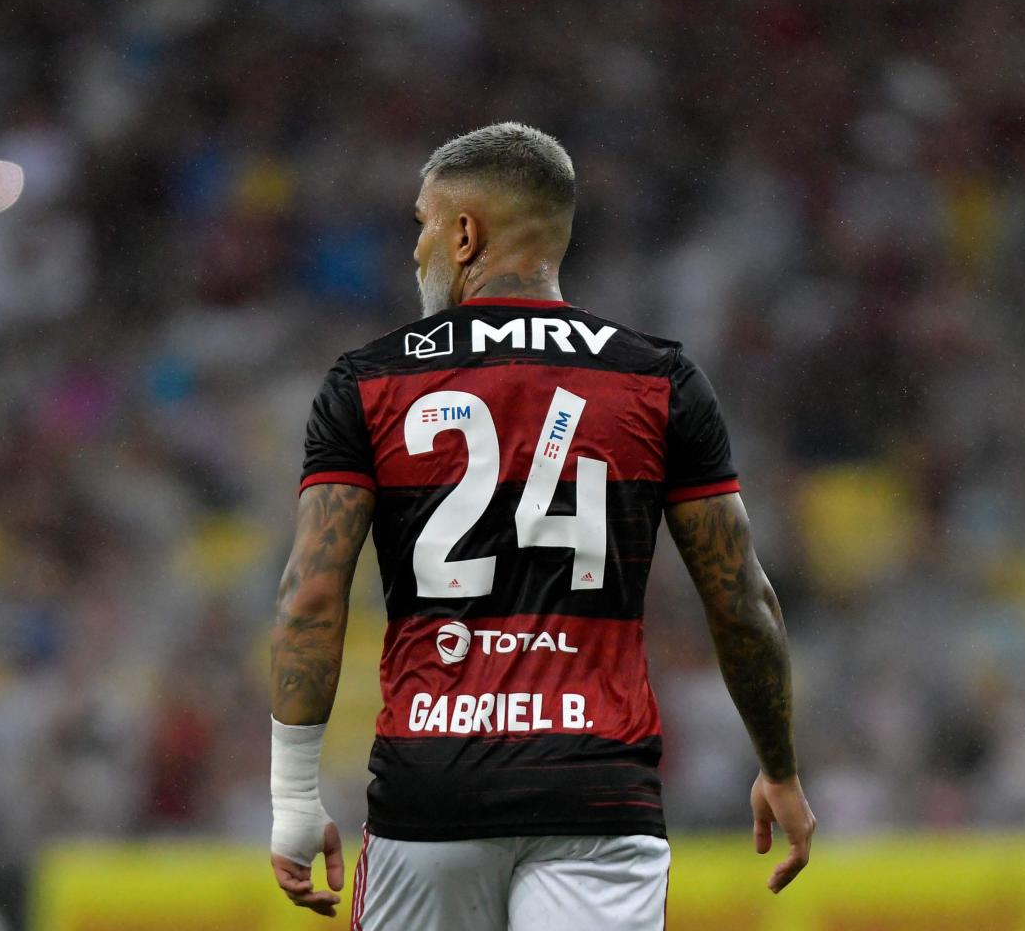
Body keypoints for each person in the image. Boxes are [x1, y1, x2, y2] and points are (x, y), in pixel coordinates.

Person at [269, 122, 815, 928]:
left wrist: (293, 796)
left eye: (423, 224)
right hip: (596, 789)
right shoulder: (657, 379)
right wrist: (779, 768)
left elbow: (310, 598)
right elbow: (741, 600)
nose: (417, 248)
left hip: (431, 793)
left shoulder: (369, 381)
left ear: (464, 234)